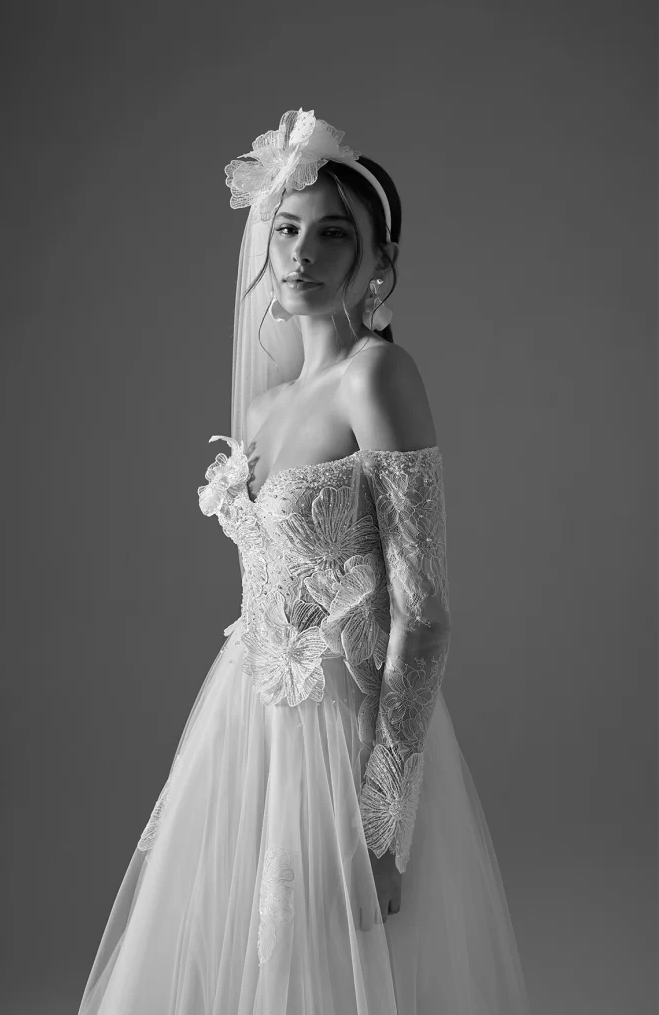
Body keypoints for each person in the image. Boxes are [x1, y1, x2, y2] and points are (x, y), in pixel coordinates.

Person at [77, 108, 531, 1014]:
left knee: (331, 972)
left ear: (379, 262)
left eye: (334, 234)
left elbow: (424, 614)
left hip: (342, 733)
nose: (301, 253)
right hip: (246, 724)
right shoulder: (267, 404)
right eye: (286, 229)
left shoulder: (377, 377)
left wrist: (383, 819)